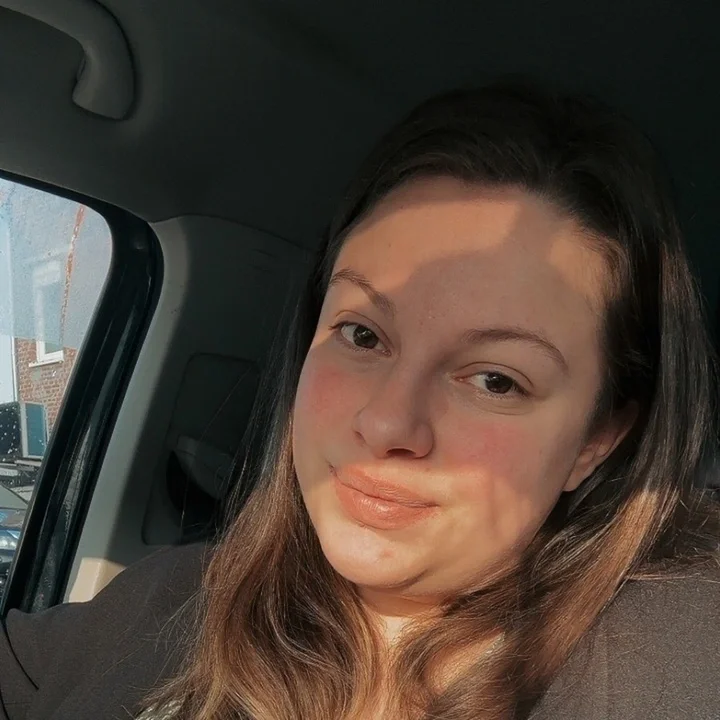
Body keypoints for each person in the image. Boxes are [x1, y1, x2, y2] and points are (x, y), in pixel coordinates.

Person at [1, 82, 719, 720]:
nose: (384, 422)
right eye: (362, 333)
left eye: (496, 379)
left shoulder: (674, 662)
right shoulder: (167, 602)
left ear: (598, 438)